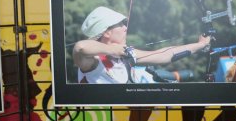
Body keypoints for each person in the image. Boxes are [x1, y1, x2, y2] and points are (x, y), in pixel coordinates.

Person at [73, 6, 210, 83]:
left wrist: (200, 45)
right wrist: (112, 50)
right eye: (120, 25)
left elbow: (165, 55)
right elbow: (80, 47)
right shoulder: (92, 61)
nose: (125, 28)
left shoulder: (125, 54)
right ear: (107, 33)